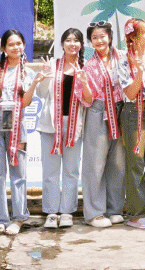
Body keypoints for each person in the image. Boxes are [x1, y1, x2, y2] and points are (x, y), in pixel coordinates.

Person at [0, 29, 42, 235]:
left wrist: (34, 84)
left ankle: (19, 218)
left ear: (24, 46)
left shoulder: (28, 72)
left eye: (19, 43)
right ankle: (0, 218)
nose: (15, 47)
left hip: (17, 123)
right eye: (11, 44)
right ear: (3, 48)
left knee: (18, 171)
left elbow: (25, 102)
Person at [36, 28, 87, 230]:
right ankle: (51, 212)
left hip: (74, 125)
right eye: (68, 40)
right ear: (62, 43)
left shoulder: (85, 67)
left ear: (81, 44)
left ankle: (66, 211)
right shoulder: (53, 65)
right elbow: (41, 94)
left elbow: (89, 99)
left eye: (76, 40)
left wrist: (83, 80)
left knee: (71, 171)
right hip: (50, 125)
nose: (72, 44)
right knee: (50, 171)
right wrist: (46, 76)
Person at [81, 21, 126, 228]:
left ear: (110, 37)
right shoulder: (89, 66)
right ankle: (94, 213)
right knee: (95, 163)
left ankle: (114, 208)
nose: (99, 40)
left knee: (118, 162)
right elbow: (87, 99)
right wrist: (83, 83)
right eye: (94, 37)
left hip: (120, 110)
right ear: (90, 42)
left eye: (102, 36)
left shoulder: (122, 57)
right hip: (98, 111)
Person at [118, 19, 145, 230]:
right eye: (144, 32)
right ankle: (137, 214)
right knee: (136, 163)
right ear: (133, 37)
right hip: (134, 112)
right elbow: (131, 92)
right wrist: (140, 71)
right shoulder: (124, 60)